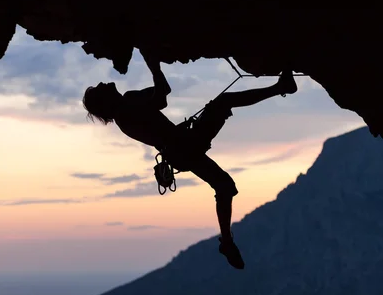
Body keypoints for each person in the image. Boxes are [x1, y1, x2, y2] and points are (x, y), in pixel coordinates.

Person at [82, 50, 298, 269]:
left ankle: (227, 242)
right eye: (100, 88)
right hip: (183, 147)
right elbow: (161, 98)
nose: (103, 82)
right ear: (105, 100)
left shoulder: (125, 110)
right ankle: (281, 88)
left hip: (181, 149)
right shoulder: (127, 105)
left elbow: (160, 101)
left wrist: (155, 68)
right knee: (224, 109)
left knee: (223, 182)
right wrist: (154, 66)